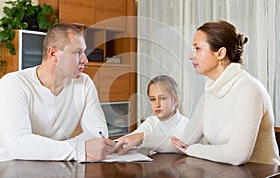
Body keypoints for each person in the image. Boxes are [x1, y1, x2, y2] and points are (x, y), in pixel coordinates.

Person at [0, 23, 115, 163]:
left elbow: (98, 134)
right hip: (8, 170)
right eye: (77, 52)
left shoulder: (84, 83)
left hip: (56, 167)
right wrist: (78, 149)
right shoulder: (13, 84)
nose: (85, 59)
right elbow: (18, 145)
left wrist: (72, 149)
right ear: (53, 54)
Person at [171, 20, 280, 165]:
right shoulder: (211, 92)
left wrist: (193, 149)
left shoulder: (249, 89)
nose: (191, 56)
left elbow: (237, 156)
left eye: (197, 49)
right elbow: (183, 142)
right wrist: (141, 139)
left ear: (220, 53)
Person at [114, 75, 189, 155]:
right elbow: (132, 138)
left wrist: (143, 138)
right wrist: (113, 144)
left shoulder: (186, 125)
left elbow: (177, 146)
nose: (157, 104)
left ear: (175, 100)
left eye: (162, 98)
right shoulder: (151, 121)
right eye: (153, 99)